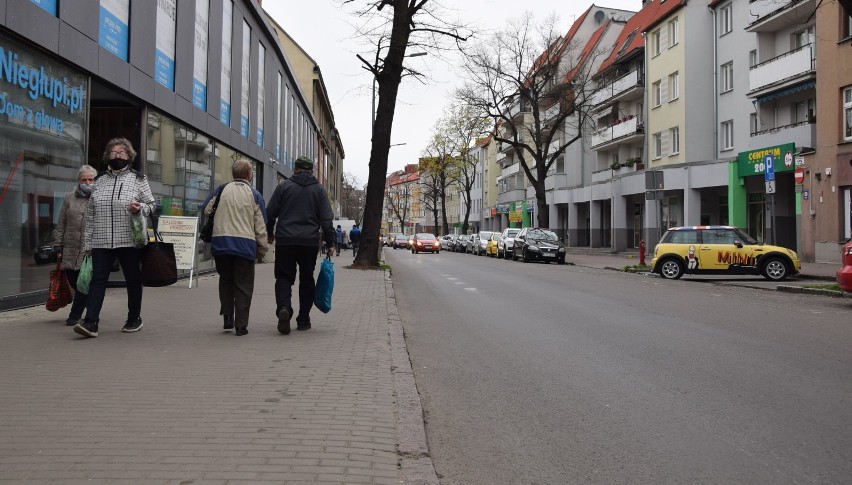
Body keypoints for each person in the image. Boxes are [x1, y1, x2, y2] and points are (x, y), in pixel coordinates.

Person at [73, 138, 155, 338]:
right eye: (114, 152)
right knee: (97, 280)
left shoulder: (138, 179)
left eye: (122, 153)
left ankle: (134, 318)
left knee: (133, 279)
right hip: (101, 240)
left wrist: (140, 208)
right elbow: (91, 214)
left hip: (129, 239)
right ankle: (91, 322)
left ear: (129, 156)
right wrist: (88, 244)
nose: (118, 156)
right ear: (107, 156)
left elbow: (151, 205)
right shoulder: (99, 181)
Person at [266, 156, 334, 334]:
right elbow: (326, 219)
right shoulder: (319, 190)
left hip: (285, 240)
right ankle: (304, 319)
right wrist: (331, 242)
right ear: (311, 171)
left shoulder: (284, 187)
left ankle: (284, 308)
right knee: (306, 279)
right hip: (309, 242)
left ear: (295, 169)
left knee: (283, 277)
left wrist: (270, 232)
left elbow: (270, 212)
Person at [202, 160, 269, 336]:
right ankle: (241, 325)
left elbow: (206, 209)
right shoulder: (254, 194)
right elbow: (261, 224)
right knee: (243, 285)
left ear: (233, 174)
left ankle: (227, 317)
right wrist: (262, 248)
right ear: (249, 175)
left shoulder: (221, 190)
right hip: (244, 245)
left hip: (221, 243)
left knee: (225, 281)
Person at [54, 165, 97, 326]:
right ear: (79, 181)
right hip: (70, 248)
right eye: (84, 179)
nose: (88, 182)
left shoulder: (99, 198)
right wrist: (58, 246)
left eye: (91, 179)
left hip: (89, 250)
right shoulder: (69, 198)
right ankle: (89, 307)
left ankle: (75, 315)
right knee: (73, 281)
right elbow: (61, 223)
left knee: (83, 282)